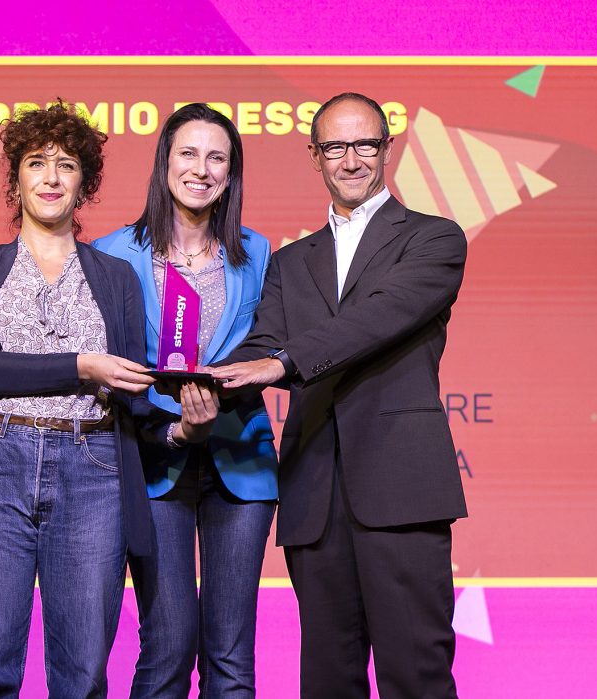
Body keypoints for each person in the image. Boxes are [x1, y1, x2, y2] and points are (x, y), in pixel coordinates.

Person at [0, 101, 218, 698]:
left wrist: (183, 431)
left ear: (84, 183)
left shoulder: (115, 277)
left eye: (66, 165)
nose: (51, 178)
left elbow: (134, 399)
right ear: (15, 181)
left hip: (93, 470)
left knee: (83, 674)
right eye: (36, 164)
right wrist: (82, 366)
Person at [210, 92, 468, 698]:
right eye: (335, 147)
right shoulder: (290, 261)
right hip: (314, 493)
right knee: (327, 680)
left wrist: (281, 362)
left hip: (402, 489)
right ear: (315, 156)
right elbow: (262, 343)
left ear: (387, 149)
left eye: (364, 145)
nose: (351, 160)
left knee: (417, 675)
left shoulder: (434, 239)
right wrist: (200, 381)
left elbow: (375, 320)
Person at [93, 102, 278, 697]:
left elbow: (270, 346)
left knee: (231, 656)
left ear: (231, 172)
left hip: (241, 462)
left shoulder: (257, 252)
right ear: (164, 162)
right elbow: (105, 369)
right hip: (153, 463)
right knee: (168, 646)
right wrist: (174, 426)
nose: (201, 169)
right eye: (188, 153)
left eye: (216, 157)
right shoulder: (111, 253)